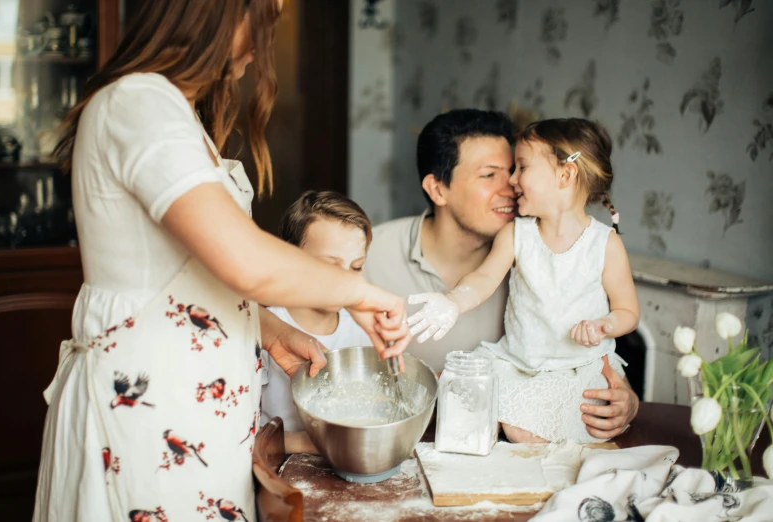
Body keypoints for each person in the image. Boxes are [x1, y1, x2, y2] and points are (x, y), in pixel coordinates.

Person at [33, 2, 409, 520]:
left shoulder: (179, 114)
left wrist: (268, 327)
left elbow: (183, 277)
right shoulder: (139, 103)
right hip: (152, 405)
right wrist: (361, 292)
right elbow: (240, 258)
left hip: (199, 414)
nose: (264, 43)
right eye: (262, 18)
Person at [364, 109, 638, 441]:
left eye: (516, 170)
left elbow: (607, 334)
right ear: (438, 190)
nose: (510, 184)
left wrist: (626, 400)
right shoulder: (367, 256)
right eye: (489, 175)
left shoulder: (572, 244)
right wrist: (452, 303)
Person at [260, 191, 373, 432]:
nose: (344, 280)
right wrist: (305, 445)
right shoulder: (264, 330)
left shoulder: (362, 333)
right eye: (328, 265)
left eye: (356, 267)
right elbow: (244, 436)